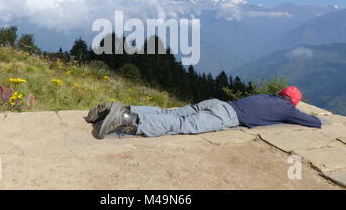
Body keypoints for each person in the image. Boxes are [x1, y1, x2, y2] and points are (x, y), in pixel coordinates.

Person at [84, 86, 322, 139]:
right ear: (293, 103)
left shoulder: (267, 97)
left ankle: (124, 108)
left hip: (217, 103)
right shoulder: (287, 109)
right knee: (179, 125)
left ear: (280, 93)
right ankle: (127, 120)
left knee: (171, 113)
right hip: (227, 116)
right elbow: (314, 123)